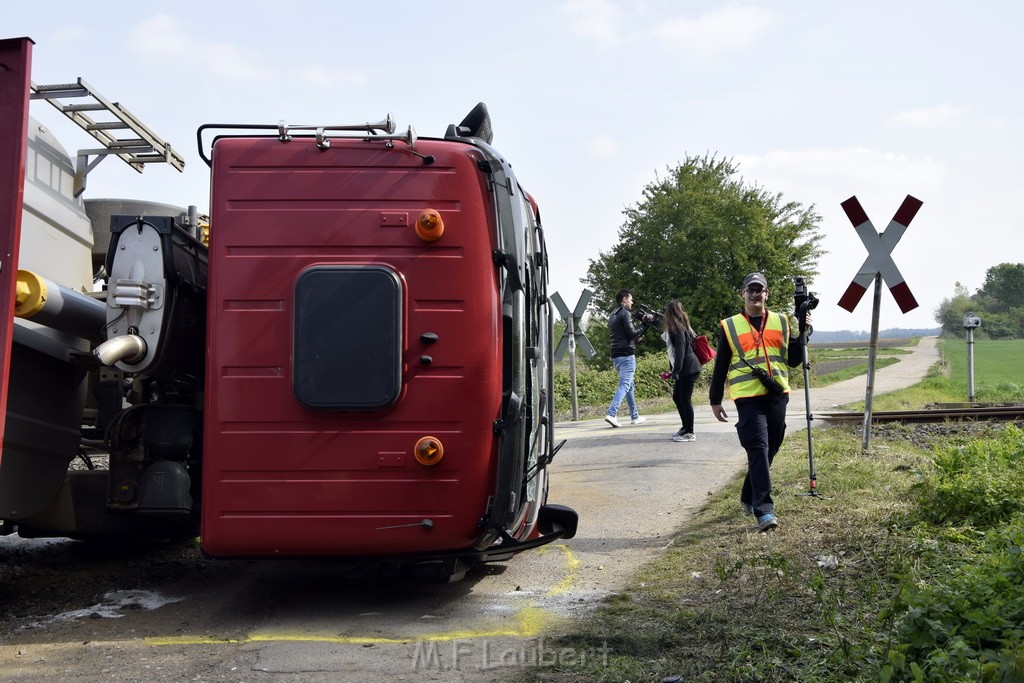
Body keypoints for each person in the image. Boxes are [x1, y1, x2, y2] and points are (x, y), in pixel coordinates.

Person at [709, 272, 808, 532]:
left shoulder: (782, 321)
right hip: (748, 397)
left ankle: (747, 494)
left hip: (777, 394)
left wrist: (804, 331)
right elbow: (720, 365)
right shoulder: (730, 325)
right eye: (750, 290)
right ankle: (764, 510)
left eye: (759, 290)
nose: (755, 294)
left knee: (771, 446)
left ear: (767, 293)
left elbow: (794, 359)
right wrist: (715, 399)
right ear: (743, 293)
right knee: (758, 447)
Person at [604, 289, 652, 428]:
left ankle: (634, 416)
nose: (632, 302)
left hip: (616, 354)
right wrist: (645, 323)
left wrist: (639, 333)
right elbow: (632, 334)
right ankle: (611, 414)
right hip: (626, 355)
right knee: (625, 385)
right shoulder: (625, 313)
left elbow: (625, 335)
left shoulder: (613, 314)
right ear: (624, 299)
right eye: (630, 299)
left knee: (629, 385)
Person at [662, 300, 702, 442]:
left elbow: (680, 351)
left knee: (684, 399)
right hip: (685, 368)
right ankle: (685, 427)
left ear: (669, 312)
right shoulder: (678, 326)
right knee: (677, 397)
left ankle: (690, 432)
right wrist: (674, 370)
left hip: (689, 368)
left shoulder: (678, 328)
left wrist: (675, 371)